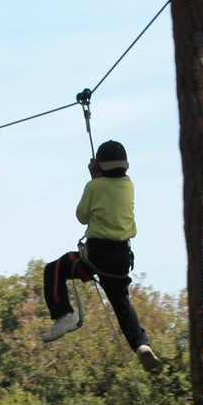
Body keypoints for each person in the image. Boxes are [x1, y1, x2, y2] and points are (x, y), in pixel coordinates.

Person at [42, 140, 159, 372]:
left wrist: (94, 181)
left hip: (97, 255)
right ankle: (141, 345)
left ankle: (64, 314)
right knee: (121, 303)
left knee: (54, 269)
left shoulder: (94, 187)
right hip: (122, 258)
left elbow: (82, 216)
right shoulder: (129, 185)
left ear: (99, 166)